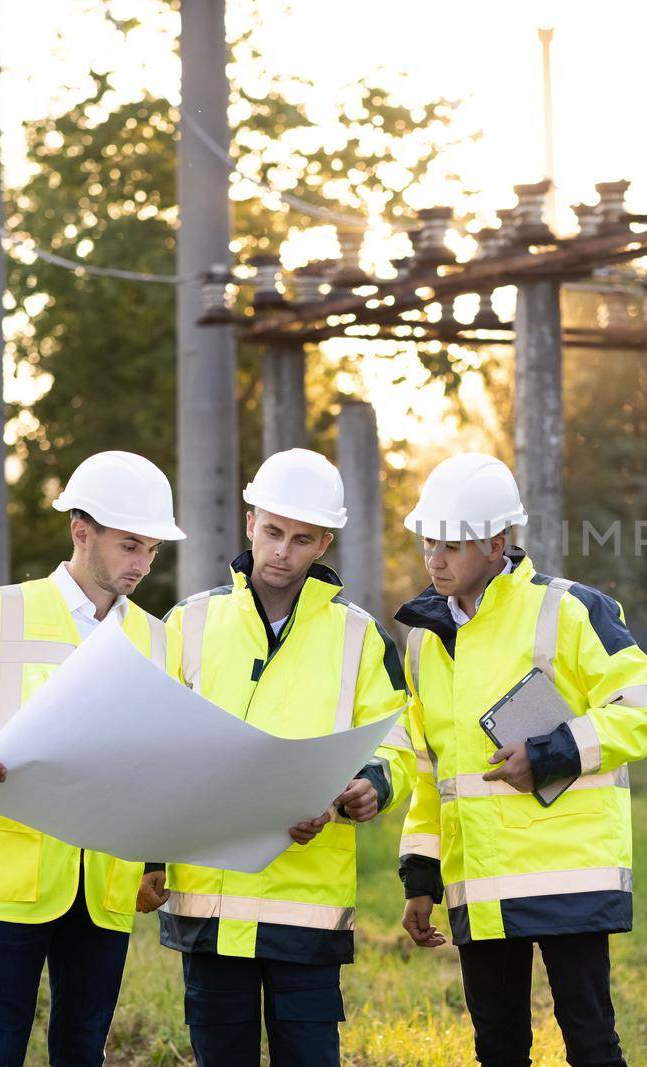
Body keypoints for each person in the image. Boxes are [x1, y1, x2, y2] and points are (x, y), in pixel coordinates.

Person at [391, 452, 647, 1067]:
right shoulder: (423, 645)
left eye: (453, 546)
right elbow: (432, 771)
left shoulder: (569, 610)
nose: (435, 558)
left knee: (592, 1045)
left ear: (496, 542)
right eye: (429, 541)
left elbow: (642, 710)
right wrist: (421, 879)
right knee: (499, 1050)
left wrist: (550, 754)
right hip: (481, 883)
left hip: (567, 872)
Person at [0, 450, 185, 1066]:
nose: (142, 564)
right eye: (129, 545)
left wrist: (154, 861)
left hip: (107, 881)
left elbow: (164, 760)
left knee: (83, 1049)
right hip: (13, 872)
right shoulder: (4, 611)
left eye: (151, 550)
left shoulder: (158, 640)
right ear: (80, 531)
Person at [151, 448, 413, 1067]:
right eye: (272, 532)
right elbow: (151, 746)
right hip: (208, 902)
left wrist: (372, 784)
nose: (281, 552)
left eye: (301, 539)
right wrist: (147, 859)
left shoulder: (359, 636)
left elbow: (397, 741)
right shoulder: (188, 623)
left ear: (323, 542)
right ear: (250, 522)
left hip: (307, 903)